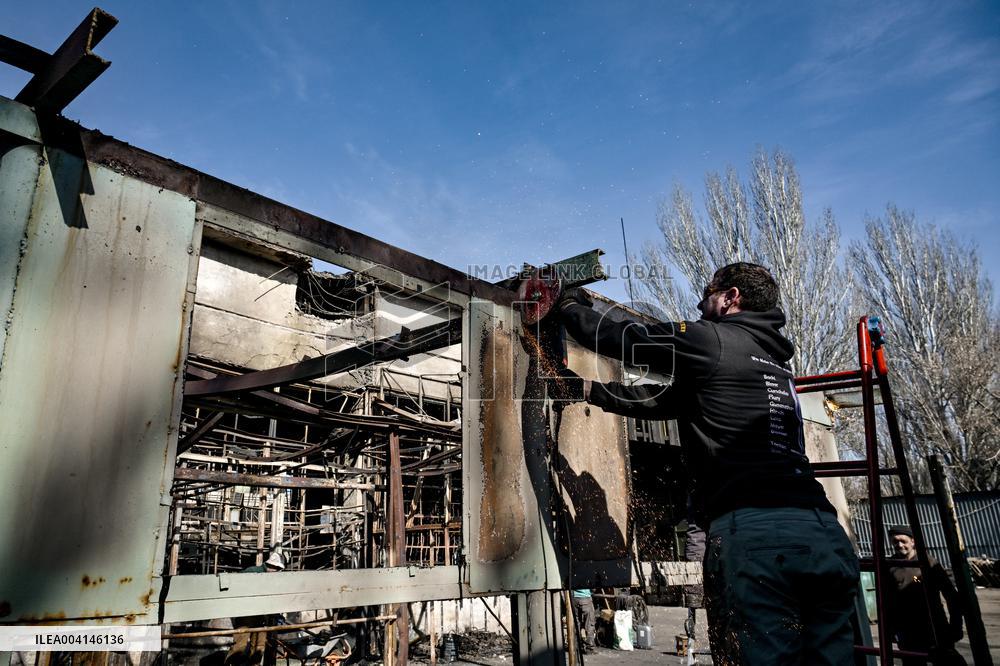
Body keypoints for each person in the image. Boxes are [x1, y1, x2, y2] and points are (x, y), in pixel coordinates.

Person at [551, 262, 859, 665]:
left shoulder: (710, 339)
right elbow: (666, 401)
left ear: (731, 298)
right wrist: (587, 388)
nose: (699, 302)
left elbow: (629, 340)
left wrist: (569, 305)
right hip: (824, 534)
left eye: (708, 292)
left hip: (758, 536)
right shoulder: (775, 366)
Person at [886, 525, 966, 665]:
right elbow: (887, 601)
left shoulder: (928, 563)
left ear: (913, 541)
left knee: (947, 660)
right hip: (907, 629)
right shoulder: (891, 566)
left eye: (903, 541)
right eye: (895, 542)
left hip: (933, 625)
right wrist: (891, 629)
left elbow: (951, 595)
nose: (899, 545)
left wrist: (956, 626)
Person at [226, 550, 286, 665]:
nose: (278, 572)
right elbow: (235, 588)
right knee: (240, 646)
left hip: (261, 616)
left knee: (259, 647)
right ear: (272, 566)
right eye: (277, 569)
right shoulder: (251, 572)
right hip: (245, 614)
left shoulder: (270, 578)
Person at [571, 589, 597, 653]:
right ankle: (589, 648)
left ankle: (576, 647)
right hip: (586, 597)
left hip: (574, 598)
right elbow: (593, 588)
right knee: (589, 624)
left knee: (576, 623)